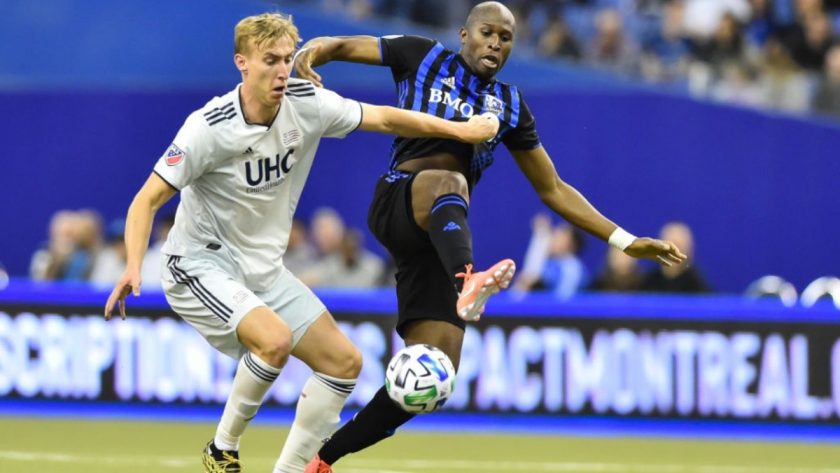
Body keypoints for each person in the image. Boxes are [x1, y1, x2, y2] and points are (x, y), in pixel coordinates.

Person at [293, 2, 688, 472]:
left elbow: (554, 189)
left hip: (438, 236)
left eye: (505, 38)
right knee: (450, 180)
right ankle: (468, 281)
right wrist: (310, 54)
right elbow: (341, 44)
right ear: (464, 34)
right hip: (400, 200)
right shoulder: (421, 56)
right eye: (487, 33)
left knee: (432, 380)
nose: (495, 44)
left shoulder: (511, 104)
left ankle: (322, 459)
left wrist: (625, 240)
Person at [102, 12, 498, 473]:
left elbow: (385, 117)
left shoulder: (306, 101)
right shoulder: (208, 127)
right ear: (242, 63)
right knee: (274, 341)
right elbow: (145, 201)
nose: (282, 70)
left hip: (263, 271)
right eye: (270, 60)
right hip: (198, 265)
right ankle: (221, 449)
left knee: (343, 363)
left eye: (288, 59)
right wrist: (132, 265)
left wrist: (461, 130)